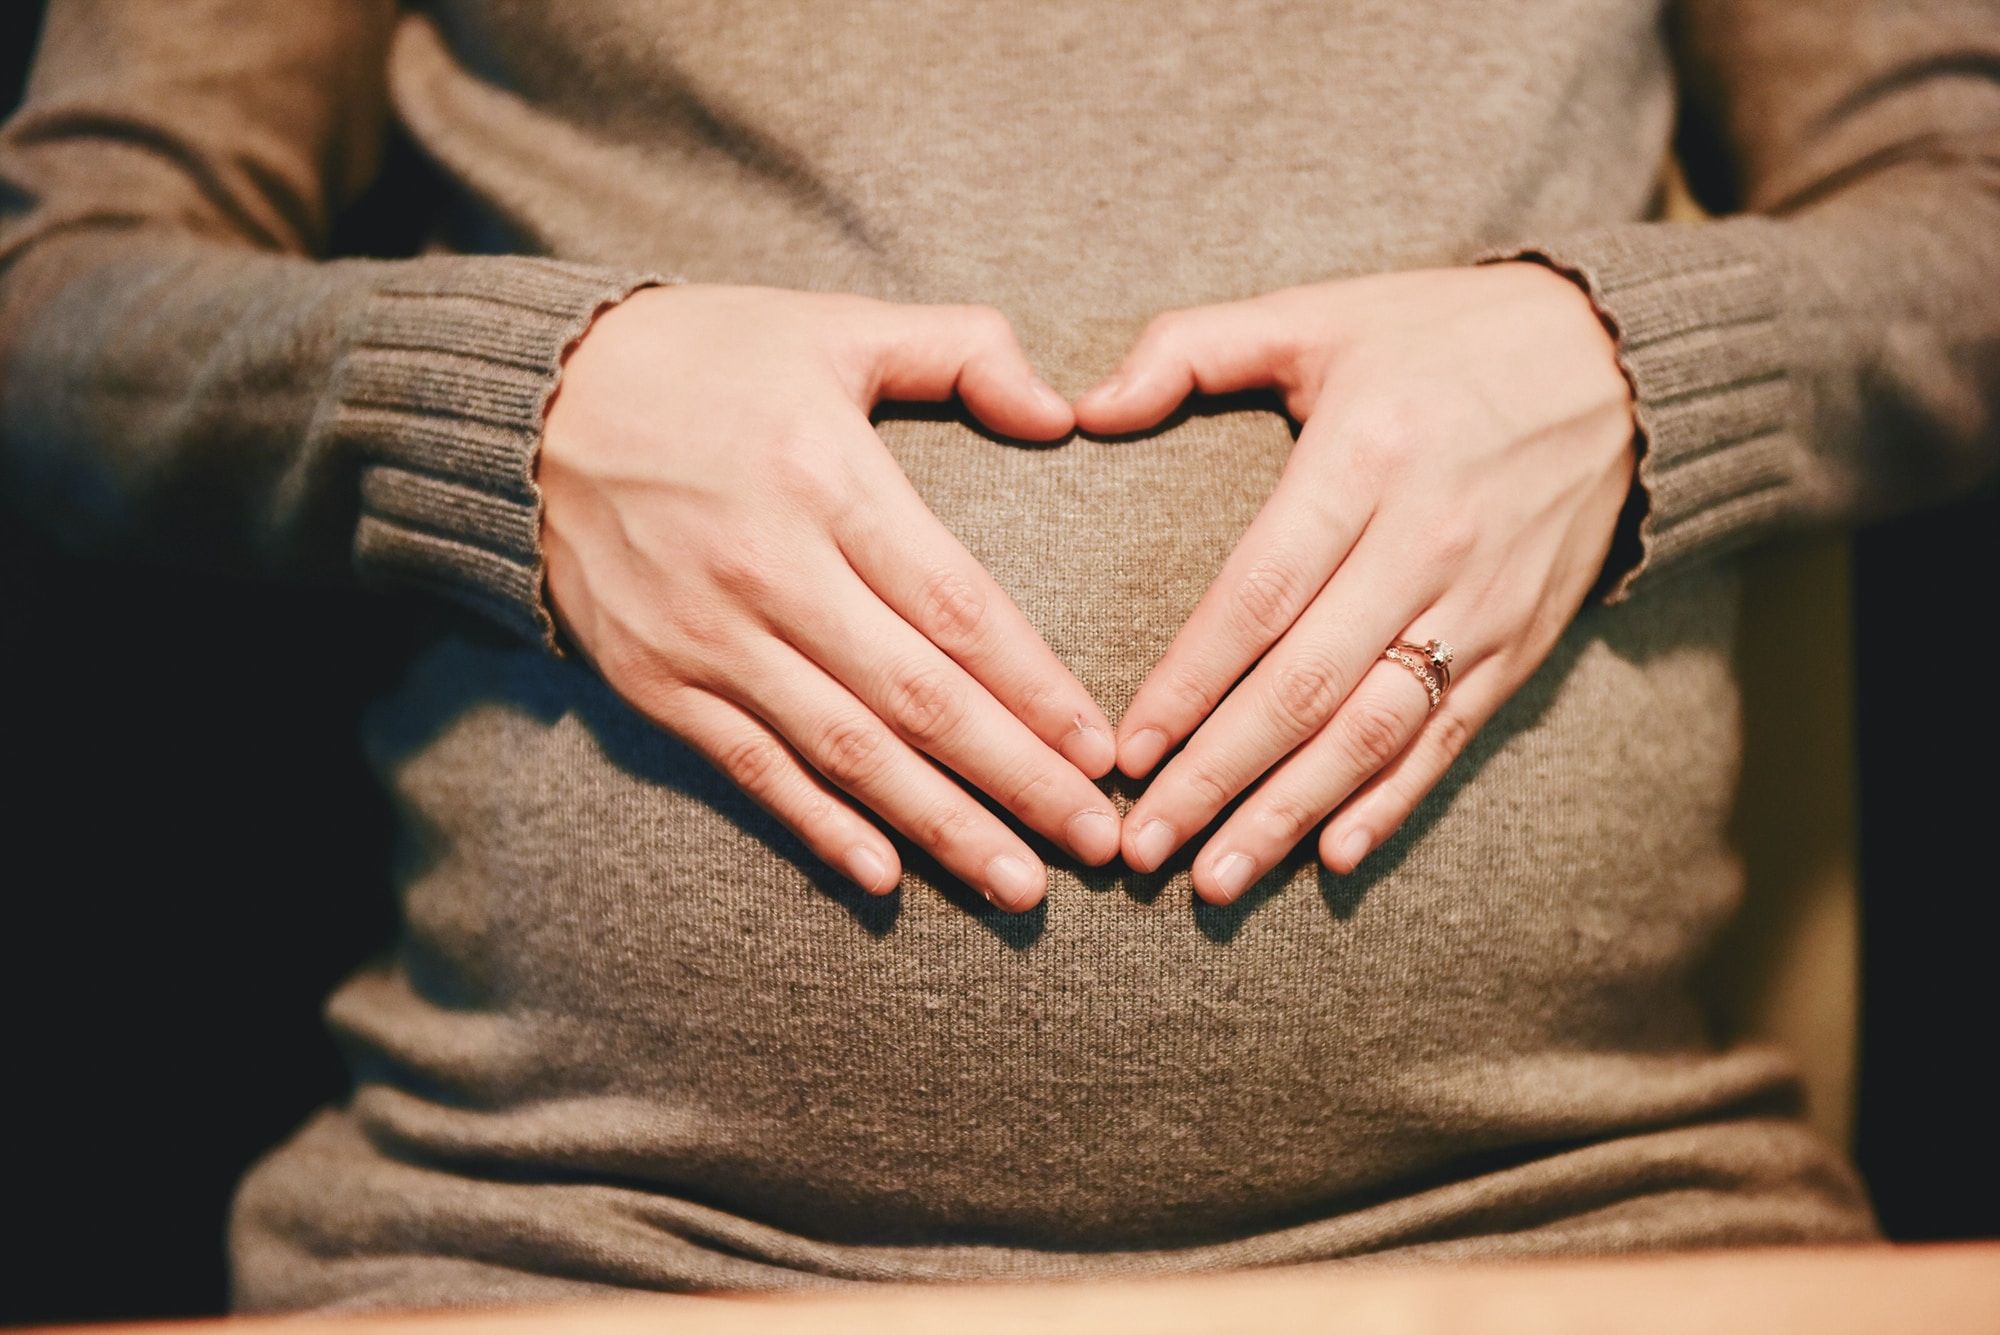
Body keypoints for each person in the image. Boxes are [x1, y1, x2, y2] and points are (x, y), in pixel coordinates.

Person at [2, 0, 1994, 1315]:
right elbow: (57, 305)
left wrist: (1633, 365)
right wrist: (503, 406)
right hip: (565, 1251)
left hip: (1571, 1235)